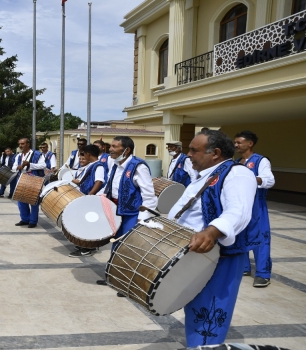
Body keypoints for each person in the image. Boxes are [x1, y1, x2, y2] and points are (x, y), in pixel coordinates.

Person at [168, 129, 257, 347]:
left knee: (210, 312)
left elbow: (239, 211)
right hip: (196, 254)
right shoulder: (205, 175)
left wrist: (212, 231)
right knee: (196, 306)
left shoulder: (237, 174)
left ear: (215, 153)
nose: (188, 154)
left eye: (193, 150)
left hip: (219, 256)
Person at [96, 136, 157, 293]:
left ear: (126, 150)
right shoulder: (116, 164)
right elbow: (110, 185)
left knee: (129, 247)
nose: (110, 149)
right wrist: (101, 197)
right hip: (116, 209)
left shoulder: (138, 167)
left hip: (132, 212)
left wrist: (142, 219)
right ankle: (114, 277)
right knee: (116, 244)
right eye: (111, 146)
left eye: (115, 147)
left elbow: (149, 196)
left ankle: (126, 284)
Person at [235, 130, 275, 288]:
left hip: (256, 203)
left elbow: (269, 180)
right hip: (240, 203)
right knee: (240, 234)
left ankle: (263, 274)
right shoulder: (237, 162)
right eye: (235, 142)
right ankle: (244, 267)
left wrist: (249, 178)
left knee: (261, 237)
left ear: (250, 143)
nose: (236, 145)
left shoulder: (261, 160)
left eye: (239, 142)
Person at [69, 144, 107, 257]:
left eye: (84, 154)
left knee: (89, 223)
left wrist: (90, 195)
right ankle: (84, 244)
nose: (83, 155)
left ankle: (88, 248)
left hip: (91, 199)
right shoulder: (91, 165)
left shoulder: (98, 166)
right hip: (86, 197)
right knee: (84, 222)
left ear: (88, 154)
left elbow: (99, 182)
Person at [14, 138, 46, 229]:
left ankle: (33, 221)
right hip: (21, 178)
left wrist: (29, 165)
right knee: (21, 200)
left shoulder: (37, 154)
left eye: (22, 143)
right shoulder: (18, 156)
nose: (20, 145)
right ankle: (24, 219)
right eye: (19, 144)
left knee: (33, 200)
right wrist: (18, 167)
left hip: (33, 179)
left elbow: (43, 165)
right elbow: (14, 167)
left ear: (28, 144)